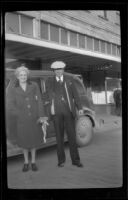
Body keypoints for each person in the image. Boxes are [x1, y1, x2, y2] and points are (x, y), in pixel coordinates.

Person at [6, 65, 48, 172]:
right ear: (17, 76)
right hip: (21, 119)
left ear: (27, 76)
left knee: (33, 141)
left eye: (25, 74)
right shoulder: (12, 88)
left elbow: (39, 101)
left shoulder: (34, 85)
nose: (23, 76)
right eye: (21, 75)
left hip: (34, 118)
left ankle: (33, 162)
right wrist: (18, 114)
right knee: (24, 142)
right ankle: (25, 162)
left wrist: (41, 116)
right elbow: (9, 104)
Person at [46, 61, 83, 167]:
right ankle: (61, 160)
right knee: (59, 138)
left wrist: (79, 107)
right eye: (56, 70)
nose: (58, 71)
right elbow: (46, 95)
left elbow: (76, 95)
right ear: (54, 71)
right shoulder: (49, 81)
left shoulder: (69, 80)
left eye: (60, 69)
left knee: (72, 137)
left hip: (69, 112)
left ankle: (76, 160)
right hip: (56, 113)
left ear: (63, 70)